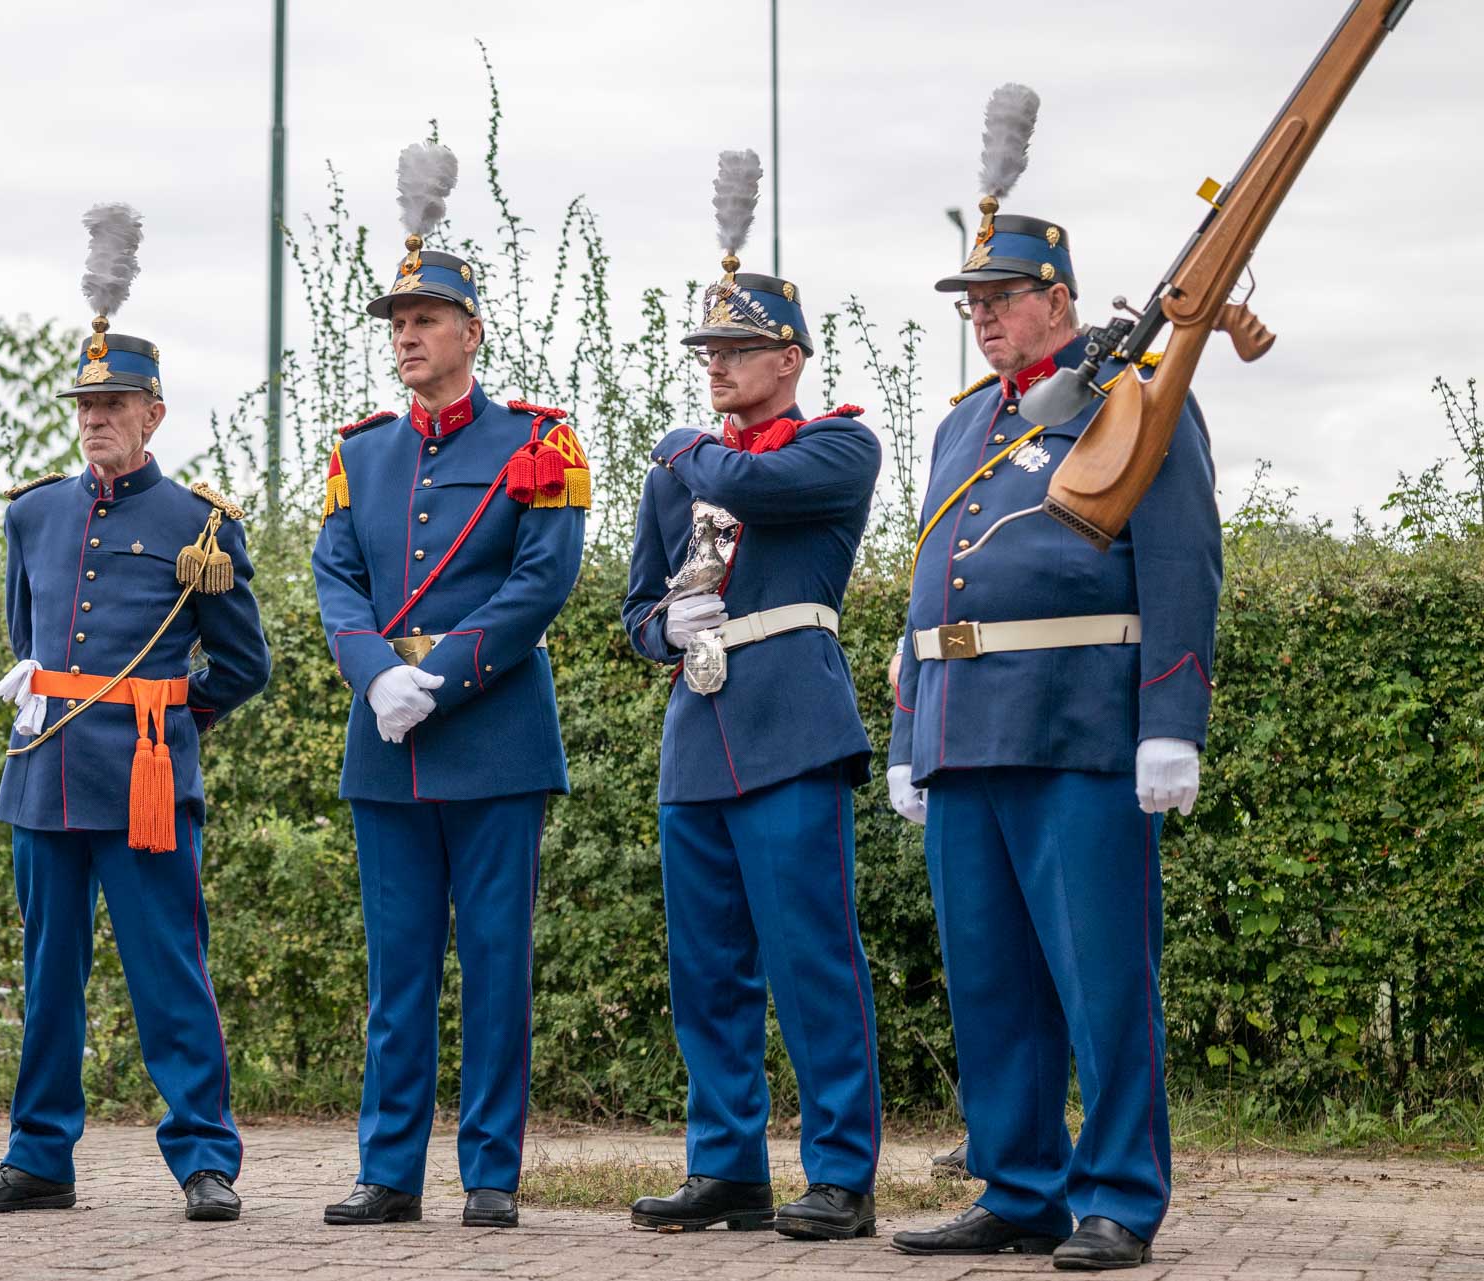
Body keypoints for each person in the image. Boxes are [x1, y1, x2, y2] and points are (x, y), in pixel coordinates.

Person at [887, 85, 1220, 1269]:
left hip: (1081, 729)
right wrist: (905, 735)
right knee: (990, 981)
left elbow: (1180, 563)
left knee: (1099, 983)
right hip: (965, 727)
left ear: (1060, 302)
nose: (983, 317)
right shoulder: (963, 425)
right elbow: (932, 589)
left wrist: (1170, 719)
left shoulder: (1135, 399)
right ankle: (1018, 1184)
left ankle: (1119, 1196)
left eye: (1002, 299)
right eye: (972, 301)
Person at [0, 205, 270, 1223]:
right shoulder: (33, 511)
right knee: (47, 982)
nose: (96, 419)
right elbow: (26, 638)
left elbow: (245, 662)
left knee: (170, 970)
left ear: (154, 414)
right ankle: (39, 1156)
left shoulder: (198, 523)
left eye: (116, 404)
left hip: (145, 775)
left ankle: (205, 1157)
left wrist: (168, 717)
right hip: (44, 770)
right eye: (86, 404)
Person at [311, 142, 587, 1230]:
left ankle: (491, 1176)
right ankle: (388, 1172)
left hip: (494, 735)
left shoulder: (539, 439)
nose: (406, 337)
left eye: (425, 320)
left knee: (496, 969)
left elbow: (541, 582)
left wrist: (442, 674)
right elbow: (336, 578)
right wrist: (380, 675)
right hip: (386, 741)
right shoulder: (362, 452)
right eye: (396, 323)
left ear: (471, 331)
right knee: (398, 978)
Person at [619, 149, 884, 1241]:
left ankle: (839, 1171)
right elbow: (637, 609)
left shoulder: (839, 446)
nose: (715, 364)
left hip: (791, 726)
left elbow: (744, 481)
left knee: (813, 957)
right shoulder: (675, 473)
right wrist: (659, 632)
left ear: (791, 355)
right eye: (708, 349)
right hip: (701, 729)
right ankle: (726, 1163)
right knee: (707, 970)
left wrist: (686, 447)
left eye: (735, 348)